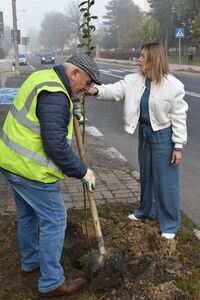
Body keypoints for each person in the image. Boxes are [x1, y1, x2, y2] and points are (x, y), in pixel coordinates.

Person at [0, 54, 101, 297]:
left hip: (11, 162)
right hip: (31, 171)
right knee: (55, 220)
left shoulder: (43, 77)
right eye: (86, 83)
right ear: (74, 74)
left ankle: (31, 261)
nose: (87, 90)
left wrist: (69, 112)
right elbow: (55, 146)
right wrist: (82, 171)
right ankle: (52, 282)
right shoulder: (56, 95)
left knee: (28, 216)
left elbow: (46, 117)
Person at [88, 42, 188, 240]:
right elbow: (115, 90)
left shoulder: (174, 86)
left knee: (166, 182)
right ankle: (145, 210)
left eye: (142, 57)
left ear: (153, 60)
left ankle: (170, 223)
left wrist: (178, 145)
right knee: (147, 176)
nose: (138, 59)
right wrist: (95, 91)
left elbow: (179, 117)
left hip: (164, 136)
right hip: (144, 133)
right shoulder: (133, 79)